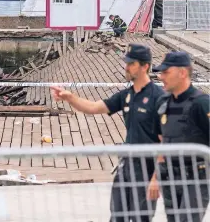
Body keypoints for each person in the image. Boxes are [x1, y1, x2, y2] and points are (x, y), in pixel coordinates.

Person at [51, 43, 164, 222]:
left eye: (131, 63)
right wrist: (69, 97)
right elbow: (95, 107)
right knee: (117, 216)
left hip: (147, 168)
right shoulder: (127, 95)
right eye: (126, 62)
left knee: (141, 218)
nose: (126, 67)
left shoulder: (158, 97)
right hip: (126, 165)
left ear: (145, 66)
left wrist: (156, 178)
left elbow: (165, 142)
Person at [148, 51, 210, 222]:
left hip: (196, 177)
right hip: (170, 177)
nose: (161, 77)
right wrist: (155, 177)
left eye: (166, 72)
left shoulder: (202, 103)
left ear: (182, 73)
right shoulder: (163, 102)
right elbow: (162, 142)